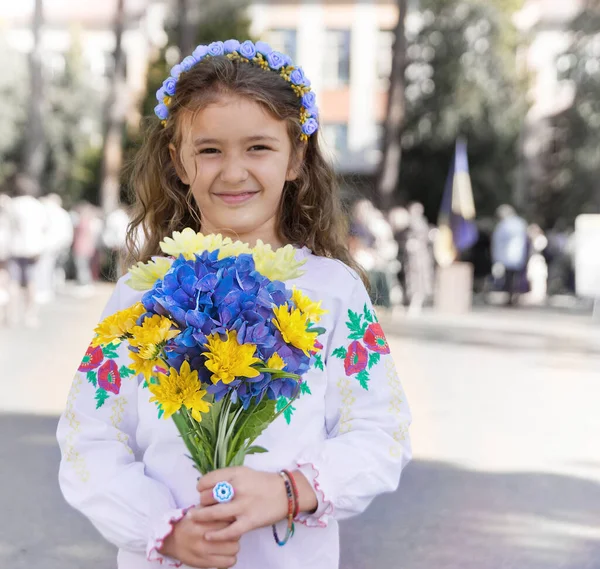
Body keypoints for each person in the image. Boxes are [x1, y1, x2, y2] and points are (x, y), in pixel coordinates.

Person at [56, 39, 412, 569]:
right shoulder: (142, 294)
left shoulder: (334, 291)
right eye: (210, 150)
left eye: (258, 148)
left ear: (296, 157)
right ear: (178, 162)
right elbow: (89, 437)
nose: (234, 171)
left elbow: (382, 431)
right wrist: (162, 528)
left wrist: (290, 491)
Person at [7, 175, 48, 327]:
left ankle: (12, 315)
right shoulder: (37, 206)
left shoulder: (13, 205)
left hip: (16, 247)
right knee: (31, 281)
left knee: (14, 282)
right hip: (33, 248)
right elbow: (44, 227)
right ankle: (30, 315)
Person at [491, 204, 529, 306]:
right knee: (515, 278)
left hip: (507, 256)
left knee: (509, 279)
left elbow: (498, 241)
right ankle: (514, 297)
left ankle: (511, 297)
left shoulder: (504, 225)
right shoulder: (520, 223)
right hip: (517, 256)